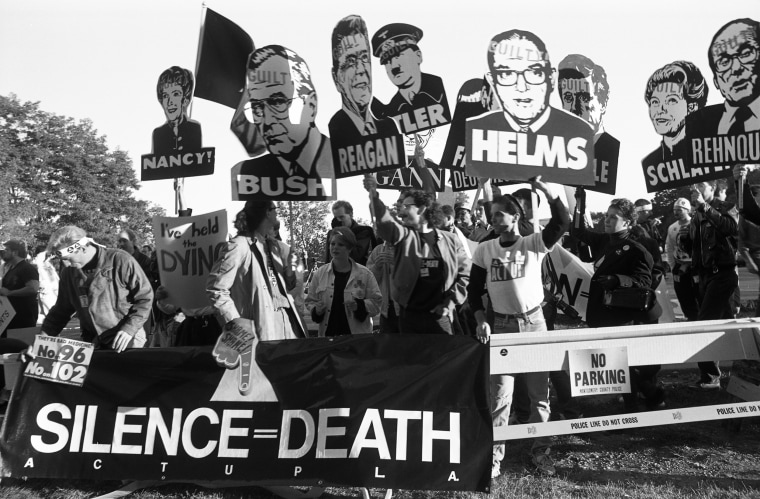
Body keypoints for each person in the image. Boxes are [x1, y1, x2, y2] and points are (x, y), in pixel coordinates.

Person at [467, 177, 568, 478]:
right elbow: (473, 292)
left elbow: (561, 222)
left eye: (500, 214)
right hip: (501, 326)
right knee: (500, 398)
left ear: (516, 216)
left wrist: (549, 192)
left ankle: (540, 453)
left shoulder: (533, 243)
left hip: (535, 324)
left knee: (539, 397)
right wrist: (480, 320)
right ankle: (494, 460)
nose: (494, 220)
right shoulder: (485, 250)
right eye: (492, 214)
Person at [465, 29, 594, 185]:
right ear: (493, 82)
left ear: (551, 79)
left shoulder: (577, 132)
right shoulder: (479, 131)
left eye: (534, 73)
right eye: (506, 74)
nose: (521, 86)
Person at [572, 195, 664, 411]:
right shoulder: (605, 240)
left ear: (628, 223)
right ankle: (652, 397)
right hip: (602, 311)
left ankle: (634, 411)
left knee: (621, 364)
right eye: (606, 215)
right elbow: (577, 232)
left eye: (613, 217)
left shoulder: (636, 249)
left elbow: (644, 281)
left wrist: (617, 280)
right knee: (617, 364)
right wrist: (580, 202)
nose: (607, 220)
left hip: (621, 314)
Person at [363, 176, 470, 335]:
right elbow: (386, 224)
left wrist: (450, 302)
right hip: (409, 319)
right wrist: (373, 194)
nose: (401, 209)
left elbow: (465, 273)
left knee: (443, 359)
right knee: (411, 360)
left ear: (421, 209)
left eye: (407, 206)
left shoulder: (450, 240)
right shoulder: (402, 237)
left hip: (441, 318)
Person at [230, 46, 335, 201]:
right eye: (257, 107)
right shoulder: (246, 172)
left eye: (278, 102)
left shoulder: (338, 157)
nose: (267, 120)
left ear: (311, 105)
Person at [40, 226, 153, 351]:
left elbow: (145, 297)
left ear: (82, 248)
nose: (66, 265)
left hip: (127, 340)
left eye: (68, 259)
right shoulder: (69, 274)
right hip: (93, 342)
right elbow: (61, 311)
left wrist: (129, 329)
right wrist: (42, 341)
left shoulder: (120, 260)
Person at [679, 180, 739, 389]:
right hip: (705, 277)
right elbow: (696, 247)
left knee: (703, 324)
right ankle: (740, 375)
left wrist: (704, 207)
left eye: (701, 185)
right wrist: (685, 240)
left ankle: (710, 377)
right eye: (693, 185)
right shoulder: (696, 215)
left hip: (722, 275)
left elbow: (732, 229)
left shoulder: (724, 207)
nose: (695, 188)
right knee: (728, 326)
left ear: (713, 188)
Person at [328, 15, 401, 140]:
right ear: (336, 79)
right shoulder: (336, 129)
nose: (361, 69)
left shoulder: (390, 128)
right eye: (351, 61)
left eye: (364, 58)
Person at [371, 23, 451, 133]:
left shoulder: (442, 90)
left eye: (398, 55)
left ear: (418, 56)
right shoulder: (391, 111)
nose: (394, 66)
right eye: (387, 62)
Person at [688, 19, 759, 137]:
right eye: (724, 62)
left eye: (746, 54)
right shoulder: (697, 124)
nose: (736, 68)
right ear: (716, 81)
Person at [306, 227, 382, 336]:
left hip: (356, 340)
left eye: (340, 244)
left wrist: (359, 306)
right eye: (332, 244)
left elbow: (377, 302)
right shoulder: (320, 274)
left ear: (349, 248)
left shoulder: (365, 274)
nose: (335, 247)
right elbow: (310, 301)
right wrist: (316, 310)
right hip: (328, 337)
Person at [643, 61, 709, 178]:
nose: (661, 109)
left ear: (692, 108)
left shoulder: (708, 157)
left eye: (671, 100)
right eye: (655, 102)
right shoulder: (650, 163)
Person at [152, 66, 202, 156]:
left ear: (185, 98)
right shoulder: (158, 134)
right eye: (165, 96)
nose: (170, 102)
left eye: (175, 94)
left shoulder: (194, 128)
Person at [665, 198, 700, 321]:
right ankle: (689, 317)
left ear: (687, 210)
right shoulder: (672, 228)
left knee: (698, 293)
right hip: (679, 267)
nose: (676, 213)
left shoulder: (696, 224)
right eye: (674, 210)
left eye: (679, 210)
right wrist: (672, 266)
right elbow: (669, 248)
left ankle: (701, 318)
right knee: (683, 294)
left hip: (695, 266)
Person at [0, 240, 39, 331]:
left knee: (18, 345)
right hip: (10, 318)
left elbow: (33, 288)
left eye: (6, 250)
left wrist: (9, 293)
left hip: (23, 319)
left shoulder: (26, 268)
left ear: (15, 252)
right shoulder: (12, 268)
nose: (3, 252)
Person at [324, 200, 377, 266]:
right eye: (335, 218)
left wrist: (342, 233)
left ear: (351, 214)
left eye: (341, 217)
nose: (338, 221)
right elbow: (328, 257)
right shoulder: (331, 233)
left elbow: (356, 256)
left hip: (356, 272)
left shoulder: (363, 231)